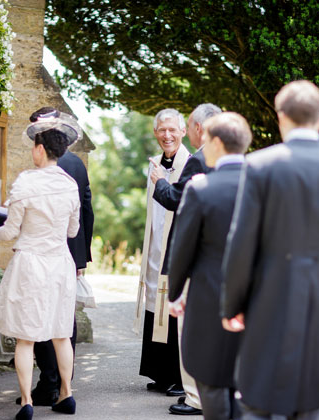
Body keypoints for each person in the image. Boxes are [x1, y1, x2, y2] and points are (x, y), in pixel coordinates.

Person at [221, 80, 319, 420]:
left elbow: (241, 242)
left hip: (269, 296)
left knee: (260, 394)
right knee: (312, 395)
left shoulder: (259, 165)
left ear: (281, 117)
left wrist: (233, 304)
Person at [0, 122, 80, 420]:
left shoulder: (26, 182)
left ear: (40, 149)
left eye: (32, 146)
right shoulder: (70, 184)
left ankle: (26, 401)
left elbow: (9, 231)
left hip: (30, 264)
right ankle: (67, 394)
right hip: (60, 263)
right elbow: (73, 231)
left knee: (26, 338)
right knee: (61, 333)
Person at [168, 112, 251, 420]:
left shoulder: (201, 189)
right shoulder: (268, 185)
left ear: (216, 143)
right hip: (257, 301)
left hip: (209, 298)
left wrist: (175, 293)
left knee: (212, 380)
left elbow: (183, 248)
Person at [14, 107, 94, 407]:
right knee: (62, 321)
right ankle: (63, 387)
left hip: (41, 254)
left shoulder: (47, 168)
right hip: (67, 254)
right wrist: (82, 257)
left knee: (39, 319)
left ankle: (48, 384)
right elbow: (86, 212)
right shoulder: (77, 165)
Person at [150, 103, 221, 415]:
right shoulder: (232, 158)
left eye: (188, 126)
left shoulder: (199, 160)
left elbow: (177, 200)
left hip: (197, 259)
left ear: (197, 128)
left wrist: (159, 183)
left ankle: (195, 397)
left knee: (191, 332)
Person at [134, 108, 190, 397]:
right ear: (155, 133)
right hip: (156, 243)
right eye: (161, 130)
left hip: (176, 244)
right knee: (154, 307)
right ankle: (159, 372)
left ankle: (178, 377)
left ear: (182, 131)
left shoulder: (190, 163)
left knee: (172, 310)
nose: (167, 135)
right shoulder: (154, 163)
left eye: (172, 130)